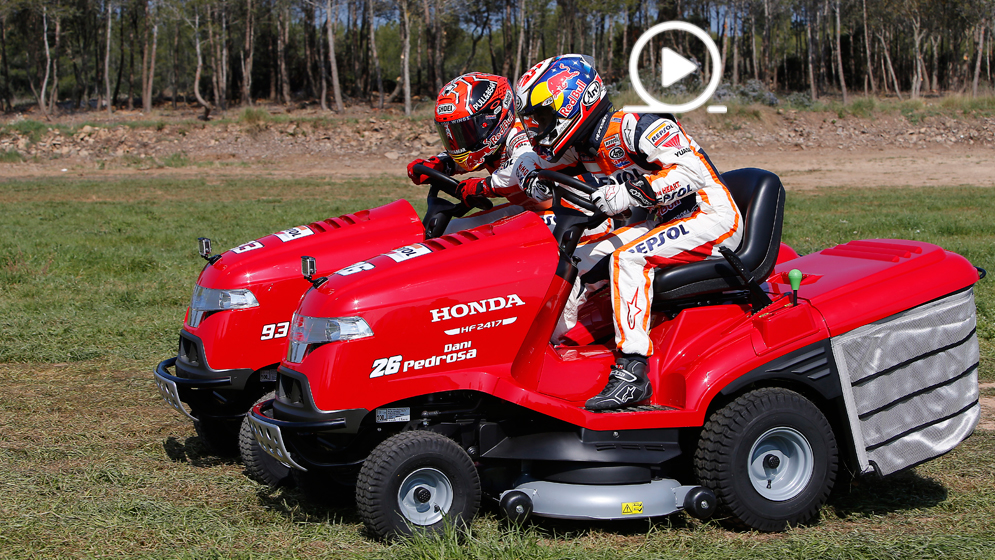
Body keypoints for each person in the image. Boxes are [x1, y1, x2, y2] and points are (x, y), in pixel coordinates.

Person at [514, 54, 742, 411]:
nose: (539, 128)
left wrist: (628, 194)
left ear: (573, 101)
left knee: (628, 259)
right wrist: (528, 171)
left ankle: (633, 371)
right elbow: (530, 161)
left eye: (543, 118)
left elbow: (692, 173)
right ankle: (550, 349)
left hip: (711, 217)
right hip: (664, 222)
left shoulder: (638, 125)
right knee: (577, 260)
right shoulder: (583, 144)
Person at [407, 72, 609, 240]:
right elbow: (471, 157)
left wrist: (481, 186)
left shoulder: (521, 136)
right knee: (453, 232)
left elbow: (520, 165)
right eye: (453, 134)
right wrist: (439, 164)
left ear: (492, 119)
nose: (460, 143)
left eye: (465, 132)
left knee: (487, 242)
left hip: (577, 214)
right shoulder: (492, 146)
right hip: (535, 211)